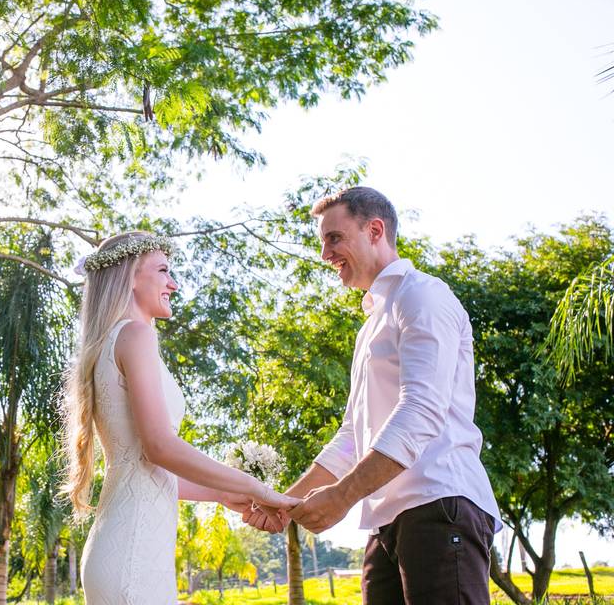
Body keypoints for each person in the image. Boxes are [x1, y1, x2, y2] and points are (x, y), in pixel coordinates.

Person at [246, 187, 501, 604]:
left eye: (334, 238)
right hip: (385, 523)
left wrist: (343, 496)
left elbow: (420, 411)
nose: (325, 254)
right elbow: (352, 435)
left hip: (439, 506)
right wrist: (284, 503)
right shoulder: (371, 324)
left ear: (375, 230)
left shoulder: (422, 295)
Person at [62, 231, 300, 605]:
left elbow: (142, 466)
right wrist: (256, 488)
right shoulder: (136, 335)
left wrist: (224, 494)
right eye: (163, 271)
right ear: (130, 277)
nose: (173, 283)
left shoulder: (112, 340)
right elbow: (159, 448)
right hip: (133, 555)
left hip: (126, 547)